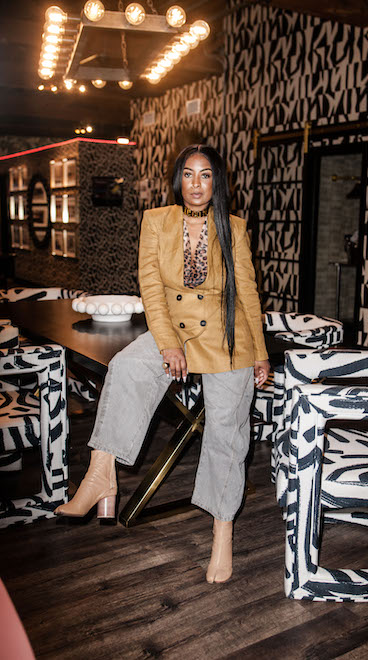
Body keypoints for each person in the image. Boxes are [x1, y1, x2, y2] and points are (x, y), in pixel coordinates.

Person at [55, 145, 270, 584]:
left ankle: (222, 530)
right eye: (188, 175)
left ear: (217, 182)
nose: (196, 184)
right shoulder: (156, 221)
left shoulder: (234, 228)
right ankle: (101, 476)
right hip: (173, 328)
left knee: (227, 431)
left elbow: (248, 294)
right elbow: (151, 289)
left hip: (228, 336)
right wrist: (169, 344)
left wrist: (261, 353)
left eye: (205, 175)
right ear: (178, 180)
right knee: (128, 367)